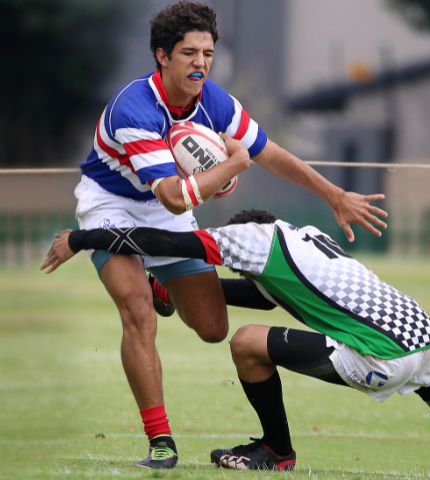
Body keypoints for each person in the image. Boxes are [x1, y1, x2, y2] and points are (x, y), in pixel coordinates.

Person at [42, 210, 430, 480]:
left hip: (380, 353)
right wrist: (180, 294)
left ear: (246, 233)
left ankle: (276, 450)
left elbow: (166, 238)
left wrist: (84, 237)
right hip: (420, 333)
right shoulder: (304, 237)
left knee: (243, 345)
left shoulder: (249, 239)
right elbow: (266, 297)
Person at [72, 0, 386, 469]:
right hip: (111, 204)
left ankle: (165, 285)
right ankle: (161, 441)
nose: (201, 63)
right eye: (189, 53)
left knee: (213, 329)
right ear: (162, 56)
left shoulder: (213, 100)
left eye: (208, 53)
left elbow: (270, 152)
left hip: (166, 203)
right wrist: (230, 166)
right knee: (138, 311)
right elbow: (177, 197)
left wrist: (334, 195)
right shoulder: (134, 109)